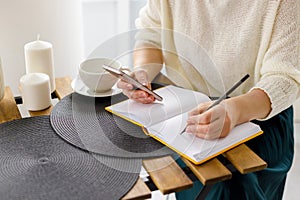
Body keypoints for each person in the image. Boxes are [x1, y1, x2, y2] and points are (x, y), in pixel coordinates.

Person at [117, 1, 300, 199]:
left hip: (259, 115)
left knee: (232, 188)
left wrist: (234, 111)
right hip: (187, 118)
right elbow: (151, 37)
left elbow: (284, 77)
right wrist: (143, 71)